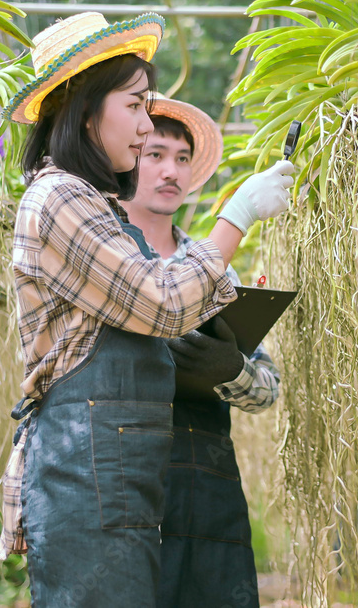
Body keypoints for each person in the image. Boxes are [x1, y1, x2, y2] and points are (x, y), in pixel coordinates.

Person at [0, 11, 294, 608]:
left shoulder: (101, 215)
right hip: (89, 468)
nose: (144, 124)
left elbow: (265, 383)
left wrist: (229, 368)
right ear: (83, 107)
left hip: (135, 479)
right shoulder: (60, 198)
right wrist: (238, 214)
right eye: (135, 107)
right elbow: (160, 301)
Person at [118, 95, 279, 608]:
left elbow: (266, 390)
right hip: (122, 487)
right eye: (155, 154)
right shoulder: (104, 256)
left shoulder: (218, 270)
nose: (171, 171)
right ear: (126, 159)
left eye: (182, 159)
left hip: (208, 491)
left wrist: (231, 369)